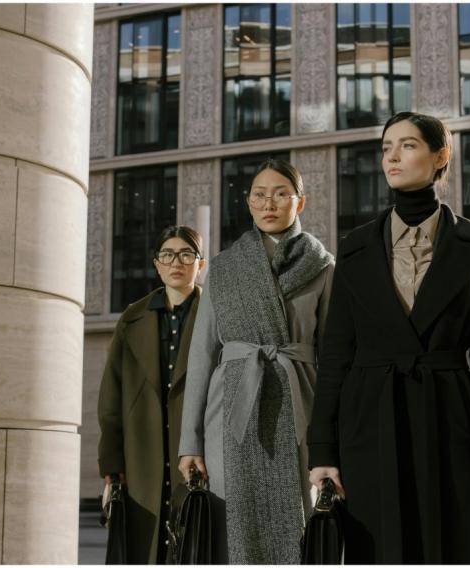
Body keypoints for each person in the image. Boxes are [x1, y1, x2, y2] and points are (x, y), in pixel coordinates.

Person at [307, 111, 470, 564]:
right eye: (386, 147)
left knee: (451, 546)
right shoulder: (356, 246)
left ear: (442, 156)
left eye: (408, 145)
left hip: (451, 418)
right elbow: (336, 354)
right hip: (369, 420)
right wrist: (322, 448)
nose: (392, 157)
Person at [178, 159, 335, 564]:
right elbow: (201, 357)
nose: (270, 203)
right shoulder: (223, 267)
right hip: (229, 414)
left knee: (297, 524)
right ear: (248, 203)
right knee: (232, 527)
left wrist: (331, 443)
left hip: (297, 403)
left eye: (281, 194)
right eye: (260, 195)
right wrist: (189, 442)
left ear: (300, 203)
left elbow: (335, 358)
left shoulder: (323, 265)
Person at [97, 225, 206, 563]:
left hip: (199, 455)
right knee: (144, 550)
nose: (177, 262)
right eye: (168, 255)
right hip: (140, 457)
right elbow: (111, 397)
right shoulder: (132, 318)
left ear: (200, 264)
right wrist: (112, 467)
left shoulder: (216, 315)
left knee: (195, 546)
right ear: (156, 264)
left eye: (186, 254)